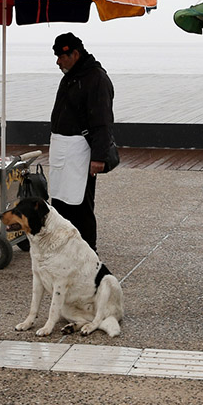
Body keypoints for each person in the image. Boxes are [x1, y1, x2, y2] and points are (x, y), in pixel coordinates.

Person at [48, 32, 115, 251]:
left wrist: (98, 157)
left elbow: (102, 121)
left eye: (61, 56)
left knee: (81, 203)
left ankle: (88, 250)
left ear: (75, 54)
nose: (58, 61)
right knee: (59, 201)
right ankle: (65, 246)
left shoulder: (96, 78)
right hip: (62, 149)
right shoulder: (71, 75)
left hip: (80, 151)